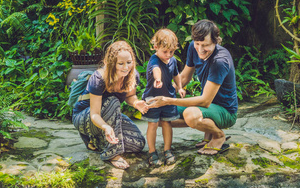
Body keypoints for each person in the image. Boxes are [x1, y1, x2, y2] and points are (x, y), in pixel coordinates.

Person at [148, 20, 238, 155]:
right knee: (156, 113)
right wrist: (162, 93)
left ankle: (218, 135)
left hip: (225, 112)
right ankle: (208, 132)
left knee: (190, 115)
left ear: (216, 41)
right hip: (206, 107)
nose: (200, 50)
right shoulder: (192, 47)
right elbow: (184, 77)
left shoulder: (220, 61)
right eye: (198, 44)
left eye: (206, 45)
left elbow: (205, 101)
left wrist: (168, 100)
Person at [72, 41, 148, 169]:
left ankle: (96, 140)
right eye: (121, 63)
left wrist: (136, 103)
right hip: (84, 118)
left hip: (110, 115)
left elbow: (129, 96)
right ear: (112, 63)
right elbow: (94, 114)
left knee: (138, 143)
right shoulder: (99, 78)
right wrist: (106, 127)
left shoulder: (132, 75)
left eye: (129, 62)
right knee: (113, 101)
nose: (126, 67)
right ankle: (111, 153)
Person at [141, 29, 186, 166]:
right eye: (165, 52)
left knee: (167, 123)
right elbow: (156, 69)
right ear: (156, 47)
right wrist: (158, 79)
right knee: (153, 124)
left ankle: (167, 150)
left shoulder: (172, 60)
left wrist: (180, 87)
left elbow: (176, 74)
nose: (168, 55)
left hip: (169, 97)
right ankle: (152, 152)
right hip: (152, 98)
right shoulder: (154, 59)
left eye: (171, 52)